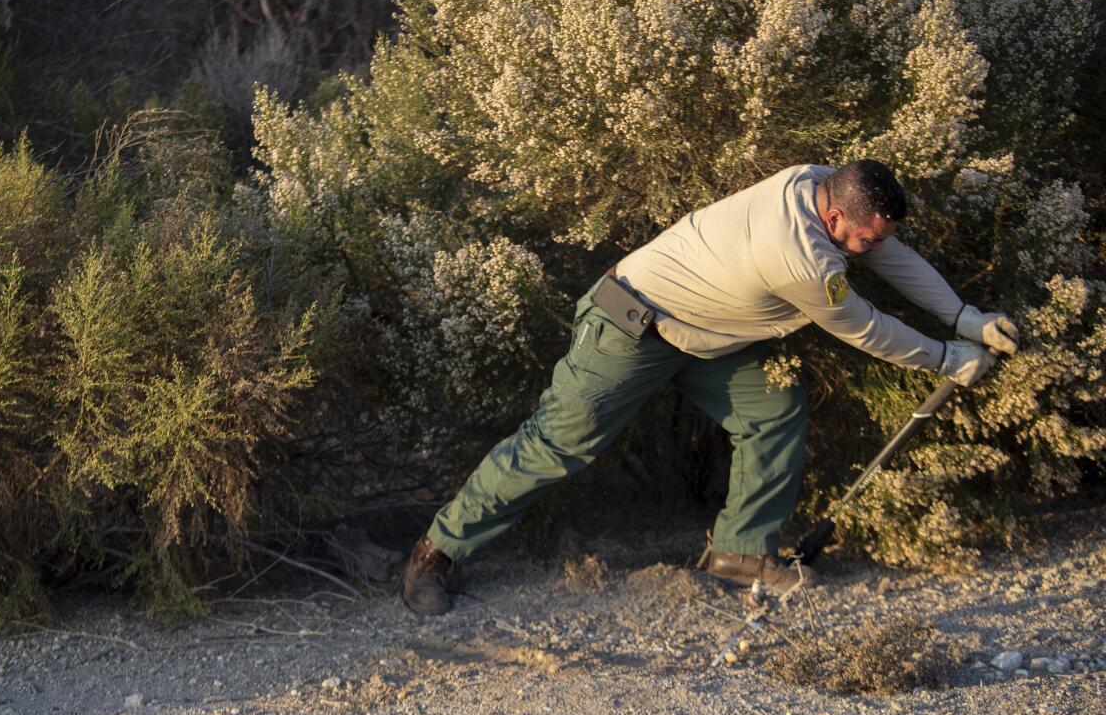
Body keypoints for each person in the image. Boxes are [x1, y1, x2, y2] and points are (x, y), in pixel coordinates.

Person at [402, 160, 1019, 616]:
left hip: (699, 337)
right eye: (866, 237)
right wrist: (945, 358)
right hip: (629, 325)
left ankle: (741, 551)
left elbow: (891, 255)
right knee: (560, 445)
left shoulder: (820, 183)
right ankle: (437, 552)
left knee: (773, 408)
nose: (874, 249)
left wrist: (963, 316)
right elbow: (864, 328)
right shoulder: (800, 255)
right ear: (834, 218)